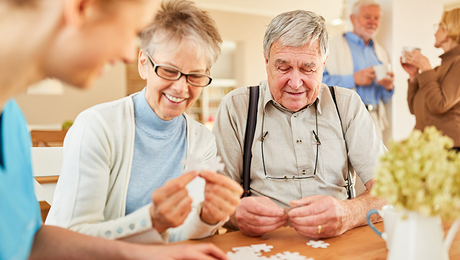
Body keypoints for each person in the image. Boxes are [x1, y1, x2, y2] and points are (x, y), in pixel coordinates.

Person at [0, 0, 229, 259]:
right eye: (130, 31)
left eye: (195, 75)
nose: (127, 55)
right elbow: (58, 236)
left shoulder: (12, 121)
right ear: (81, 9)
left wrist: (202, 219)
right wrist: (151, 221)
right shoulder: (97, 124)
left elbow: (32, 242)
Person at [212, 9, 386, 239]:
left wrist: (348, 213)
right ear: (267, 62)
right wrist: (234, 213)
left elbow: (390, 190)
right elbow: (215, 198)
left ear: (324, 64)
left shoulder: (347, 105)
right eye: (283, 67)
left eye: (308, 68)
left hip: (338, 245)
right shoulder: (235, 107)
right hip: (260, 246)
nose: (295, 83)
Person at [322, 0, 394, 137]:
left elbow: (384, 98)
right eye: (367, 17)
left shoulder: (381, 52)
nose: (373, 22)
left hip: (375, 121)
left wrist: (388, 87)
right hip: (343, 119)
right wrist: (353, 79)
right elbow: (319, 82)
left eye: (376, 18)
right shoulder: (332, 46)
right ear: (352, 19)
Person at [402, 8, 460, 151]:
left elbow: (439, 105)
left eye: (440, 26)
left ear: (450, 30)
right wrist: (414, 76)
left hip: (449, 148)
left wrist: (425, 67)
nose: (435, 31)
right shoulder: (440, 68)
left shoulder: (457, 63)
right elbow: (414, 109)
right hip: (429, 146)